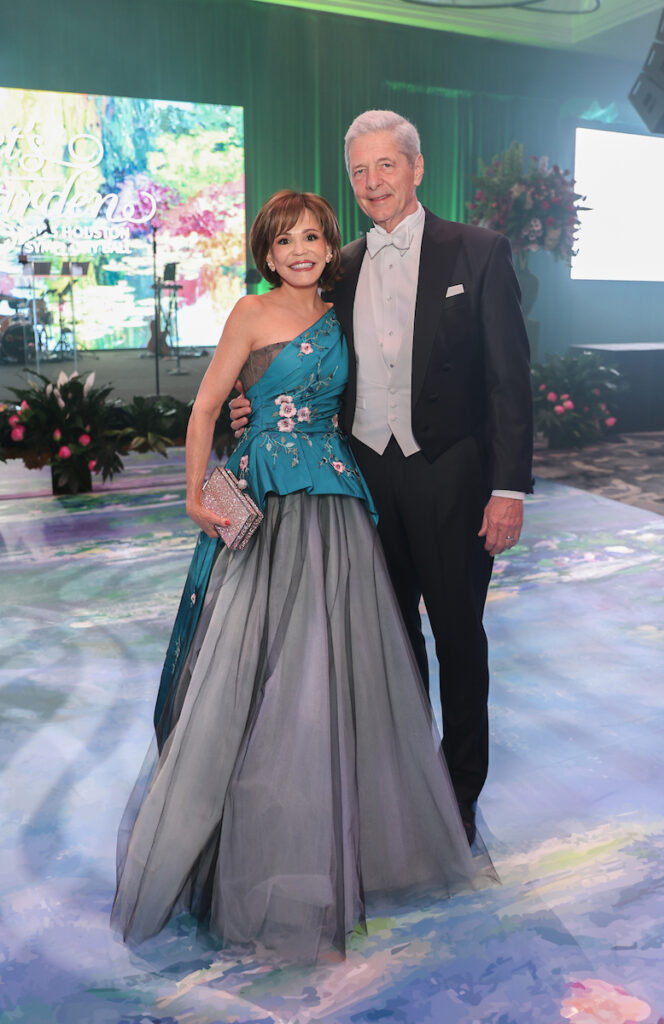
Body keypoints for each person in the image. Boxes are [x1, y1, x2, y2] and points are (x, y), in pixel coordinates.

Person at [111, 190, 490, 963]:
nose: (301, 250)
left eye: (313, 236)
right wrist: (193, 491)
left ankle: (359, 850)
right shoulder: (249, 315)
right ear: (265, 250)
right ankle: (258, 855)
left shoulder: (342, 301)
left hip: (337, 505)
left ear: (328, 246)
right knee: (256, 673)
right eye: (285, 240)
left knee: (338, 673)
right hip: (267, 504)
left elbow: (376, 382)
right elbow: (206, 409)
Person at [231, 111, 534, 844]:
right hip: (362, 481)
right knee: (389, 642)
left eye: (385, 166)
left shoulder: (479, 252)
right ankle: (406, 786)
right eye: (359, 171)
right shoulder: (340, 268)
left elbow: (508, 381)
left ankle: (458, 794)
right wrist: (248, 405)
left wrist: (508, 488)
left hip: (454, 478)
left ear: (416, 168)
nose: (371, 183)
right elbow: (291, 356)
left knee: (458, 637)